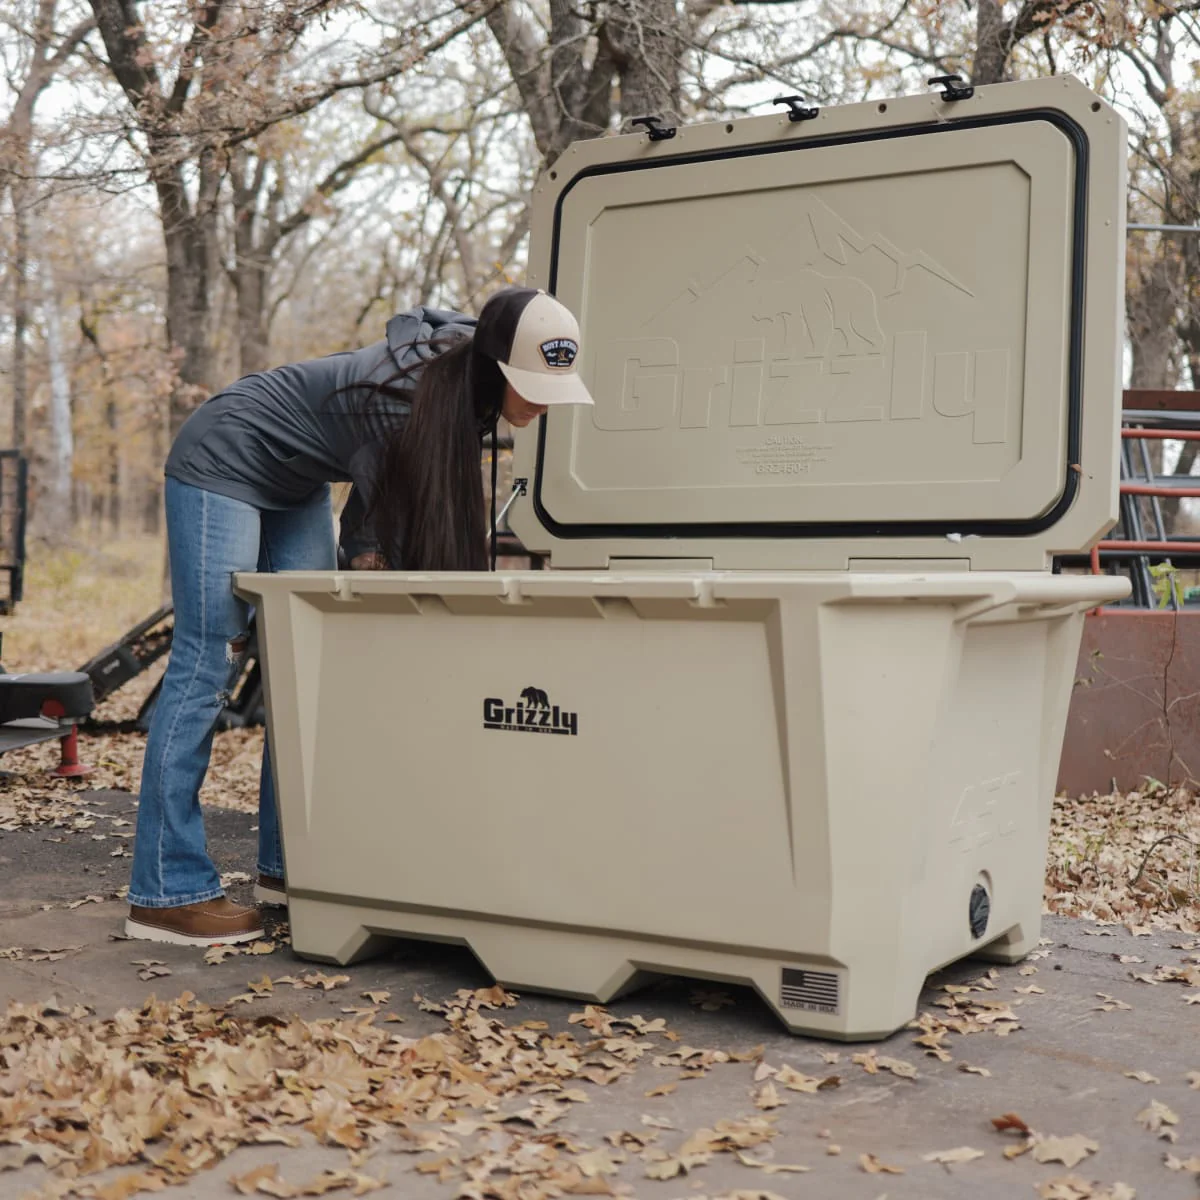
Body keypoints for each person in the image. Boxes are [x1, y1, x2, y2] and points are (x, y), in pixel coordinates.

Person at [125, 286, 595, 945]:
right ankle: (166, 893)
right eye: (533, 386)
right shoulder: (410, 394)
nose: (544, 403)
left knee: (302, 670)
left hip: (297, 480)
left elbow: (381, 518)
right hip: (226, 454)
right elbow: (378, 531)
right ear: (495, 365)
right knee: (210, 659)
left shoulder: (465, 390)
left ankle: (291, 869)